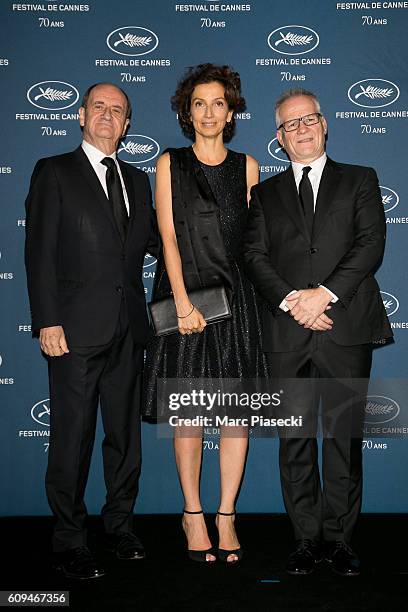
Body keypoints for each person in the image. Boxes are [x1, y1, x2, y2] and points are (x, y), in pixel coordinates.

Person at [242, 88, 392, 576]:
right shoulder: (264, 194)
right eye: (290, 124)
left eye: (309, 120)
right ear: (279, 139)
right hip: (287, 334)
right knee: (295, 441)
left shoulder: (361, 180)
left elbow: (370, 245)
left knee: (344, 439)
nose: (301, 129)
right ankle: (306, 539)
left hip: (344, 328)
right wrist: (292, 302)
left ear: (325, 125)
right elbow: (255, 257)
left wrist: (322, 295)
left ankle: (341, 540)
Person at [25, 82, 158, 579]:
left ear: (127, 124)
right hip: (73, 331)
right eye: (98, 107)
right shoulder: (54, 171)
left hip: (129, 330)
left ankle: (120, 528)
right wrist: (47, 319)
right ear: (81, 115)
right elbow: (38, 253)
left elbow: (156, 245)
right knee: (72, 439)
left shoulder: (138, 179)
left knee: (124, 438)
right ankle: (69, 540)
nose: (107, 116)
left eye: (117, 111)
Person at [144, 64, 268, 563]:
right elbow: (169, 238)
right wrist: (180, 303)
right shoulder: (169, 163)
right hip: (185, 301)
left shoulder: (250, 167)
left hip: (237, 304)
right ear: (186, 110)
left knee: (235, 418)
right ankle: (192, 514)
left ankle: (226, 515)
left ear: (232, 110)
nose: (209, 112)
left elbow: (254, 246)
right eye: (199, 103)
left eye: (219, 102)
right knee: (190, 415)